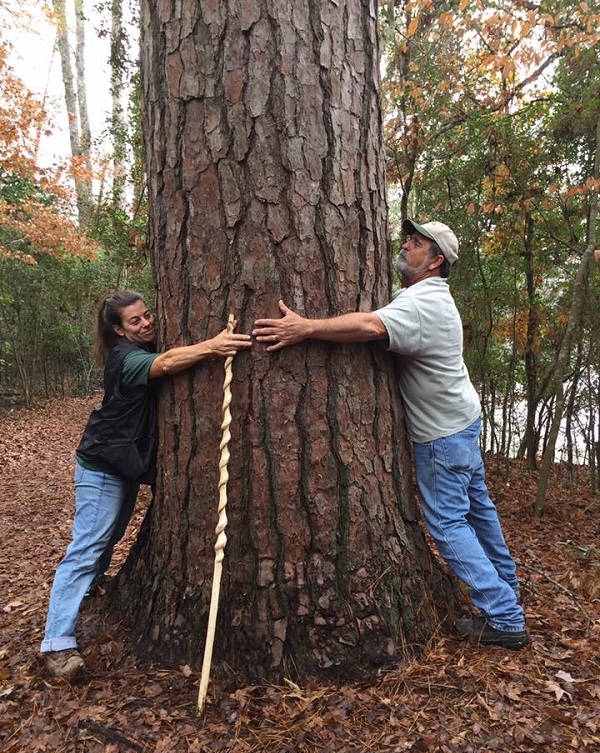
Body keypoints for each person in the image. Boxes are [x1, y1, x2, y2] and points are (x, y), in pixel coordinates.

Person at [253, 220, 530, 650]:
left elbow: (369, 327)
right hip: (460, 422)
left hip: (442, 435)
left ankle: (504, 616)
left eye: (417, 244)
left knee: (448, 523)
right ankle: (508, 589)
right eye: (409, 239)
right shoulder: (428, 297)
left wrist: (305, 328)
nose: (406, 245)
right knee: (478, 511)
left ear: (436, 261)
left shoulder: (425, 304)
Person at [41, 290, 252, 677]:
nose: (147, 323)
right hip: (102, 466)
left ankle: (89, 588)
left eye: (147, 315)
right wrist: (214, 346)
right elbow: (168, 363)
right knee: (88, 545)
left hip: (122, 464)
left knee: (107, 537)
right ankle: (57, 643)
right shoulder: (127, 360)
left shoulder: (141, 346)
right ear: (119, 332)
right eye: (134, 321)